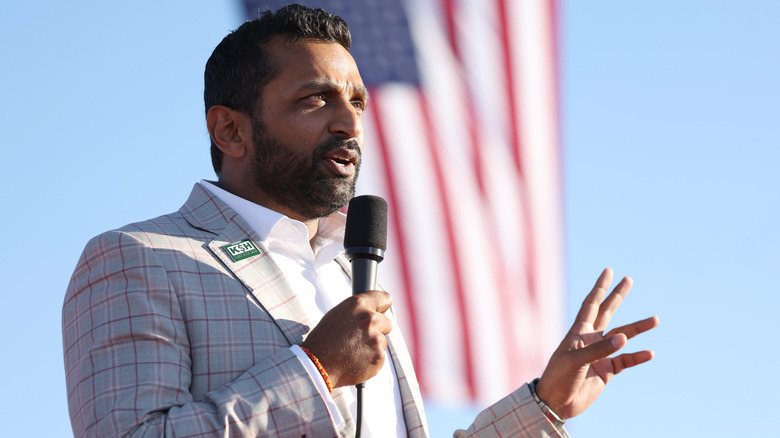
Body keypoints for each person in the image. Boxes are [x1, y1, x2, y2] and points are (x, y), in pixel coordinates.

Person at [62, 4, 659, 437]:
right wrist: (315, 371)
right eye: (315, 99)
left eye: (357, 102)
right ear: (230, 130)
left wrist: (543, 405)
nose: (349, 122)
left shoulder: (351, 273)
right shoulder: (139, 258)